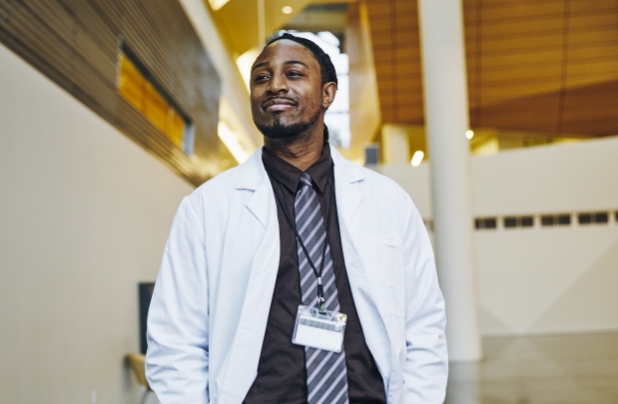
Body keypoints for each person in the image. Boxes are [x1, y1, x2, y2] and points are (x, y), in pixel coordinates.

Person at [145, 33, 447, 404]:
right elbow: (176, 342)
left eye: (294, 73)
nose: (274, 86)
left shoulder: (389, 202)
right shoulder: (206, 208)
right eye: (261, 77)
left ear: (328, 94)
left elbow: (424, 325)